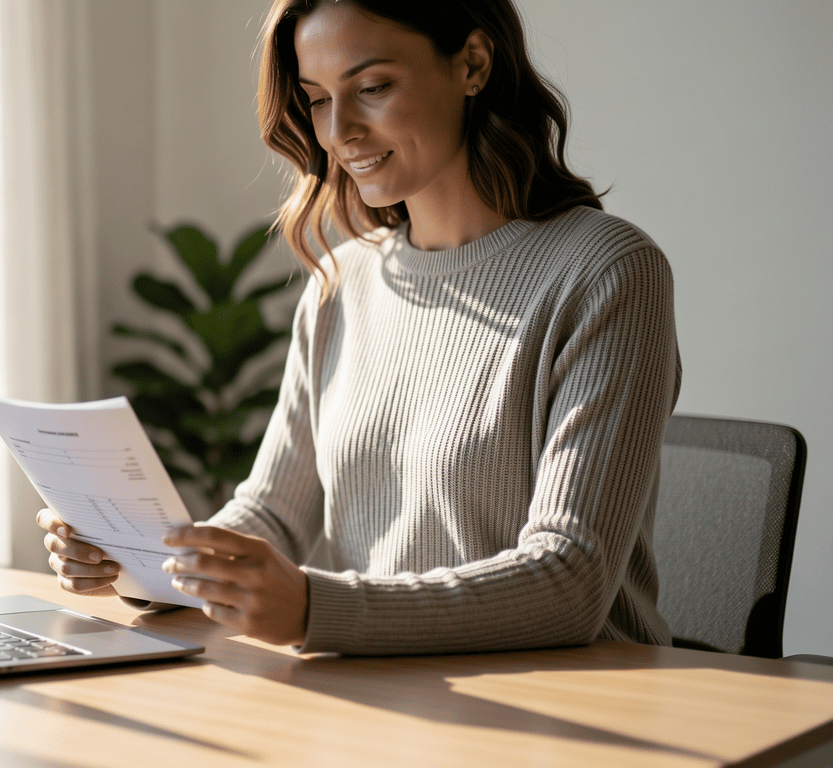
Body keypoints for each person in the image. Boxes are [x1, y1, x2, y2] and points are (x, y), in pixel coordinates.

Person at [38, 0, 681, 655]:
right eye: (317, 99)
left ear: (473, 64)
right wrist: (142, 564)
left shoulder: (607, 273)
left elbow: (570, 584)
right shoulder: (339, 285)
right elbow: (269, 515)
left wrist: (318, 608)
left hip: (572, 715)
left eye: (371, 88)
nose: (339, 131)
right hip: (378, 694)